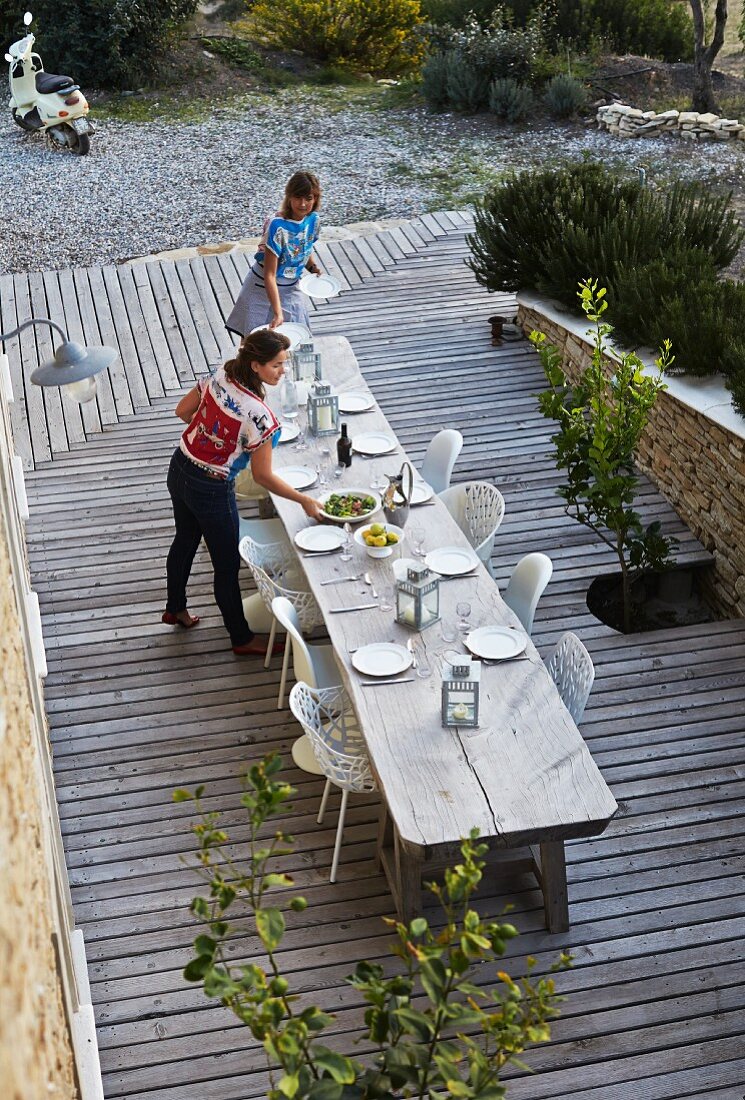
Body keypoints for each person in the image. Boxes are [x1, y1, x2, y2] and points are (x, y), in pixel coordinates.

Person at [162, 328, 324, 655]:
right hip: (210, 488)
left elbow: (183, 412)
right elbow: (263, 476)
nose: (283, 371)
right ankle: (241, 638)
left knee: (184, 540)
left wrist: (210, 440)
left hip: (179, 467)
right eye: (276, 365)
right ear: (255, 366)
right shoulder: (260, 417)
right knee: (226, 568)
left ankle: (175, 608)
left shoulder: (221, 373)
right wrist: (304, 499)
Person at [226, 170, 323, 339]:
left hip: (290, 286)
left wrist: (312, 267)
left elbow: (304, 247)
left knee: (296, 339)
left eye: (308, 198)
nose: (302, 204)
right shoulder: (277, 226)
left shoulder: (313, 220)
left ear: (315, 199)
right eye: (298, 197)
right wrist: (278, 313)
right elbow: (269, 274)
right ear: (289, 197)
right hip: (261, 288)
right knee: (252, 344)